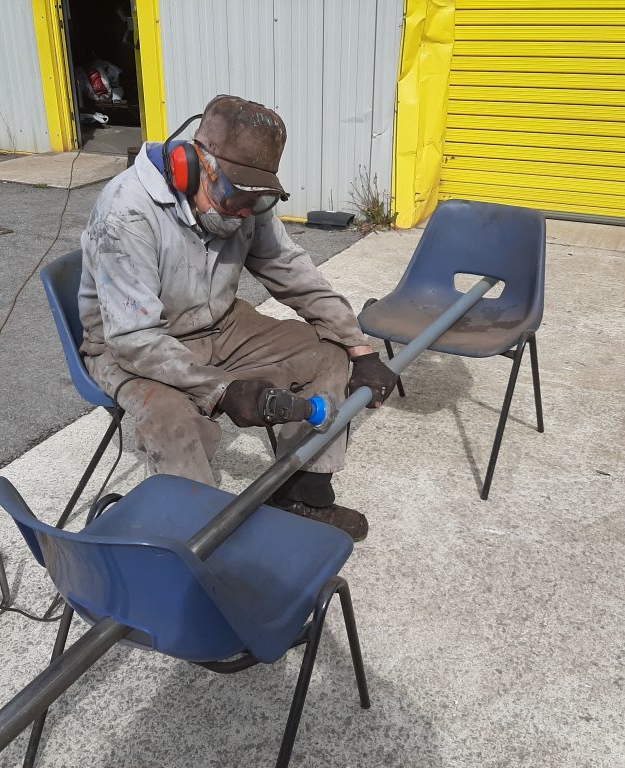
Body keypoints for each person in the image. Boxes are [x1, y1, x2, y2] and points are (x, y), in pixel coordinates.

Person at [79, 95, 398, 541]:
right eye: (234, 196)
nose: (245, 212)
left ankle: (300, 493)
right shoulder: (127, 211)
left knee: (325, 353)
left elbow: (292, 271)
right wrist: (224, 391)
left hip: (221, 325)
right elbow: (133, 337)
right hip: (133, 345)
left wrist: (358, 347)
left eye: (259, 200)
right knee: (172, 419)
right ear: (194, 165)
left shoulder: (244, 201)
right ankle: (199, 543)